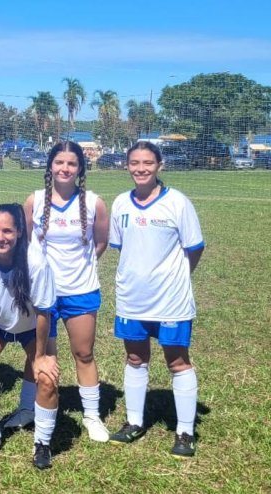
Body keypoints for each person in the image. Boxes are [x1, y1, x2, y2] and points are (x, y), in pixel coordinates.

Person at [108, 141, 204, 458]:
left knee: (177, 362)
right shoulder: (121, 203)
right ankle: (134, 422)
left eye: (148, 162)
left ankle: (185, 431)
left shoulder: (177, 202)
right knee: (135, 359)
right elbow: (123, 248)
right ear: (127, 165)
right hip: (132, 298)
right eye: (134, 162)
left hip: (171, 300)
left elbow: (195, 247)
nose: (141, 168)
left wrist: (177, 276)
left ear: (160, 165)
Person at [22, 141, 110, 442]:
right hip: (42, 293)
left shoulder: (94, 203)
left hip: (81, 290)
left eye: (72, 164)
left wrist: (78, 268)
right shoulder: (33, 201)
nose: (65, 168)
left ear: (80, 169)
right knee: (40, 352)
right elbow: (25, 244)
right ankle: (27, 407)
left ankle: (92, 415)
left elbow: (101, 242)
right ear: (50, 167)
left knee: (83, 353)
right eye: (59, 162)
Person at [0, 204, 59, 469]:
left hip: (33, 326)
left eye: (7, 230)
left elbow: (43, 313)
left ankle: (42, 443)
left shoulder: (36, 261)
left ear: (19, 232)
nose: (0, 237)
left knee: (47, 378)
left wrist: (40, 357)